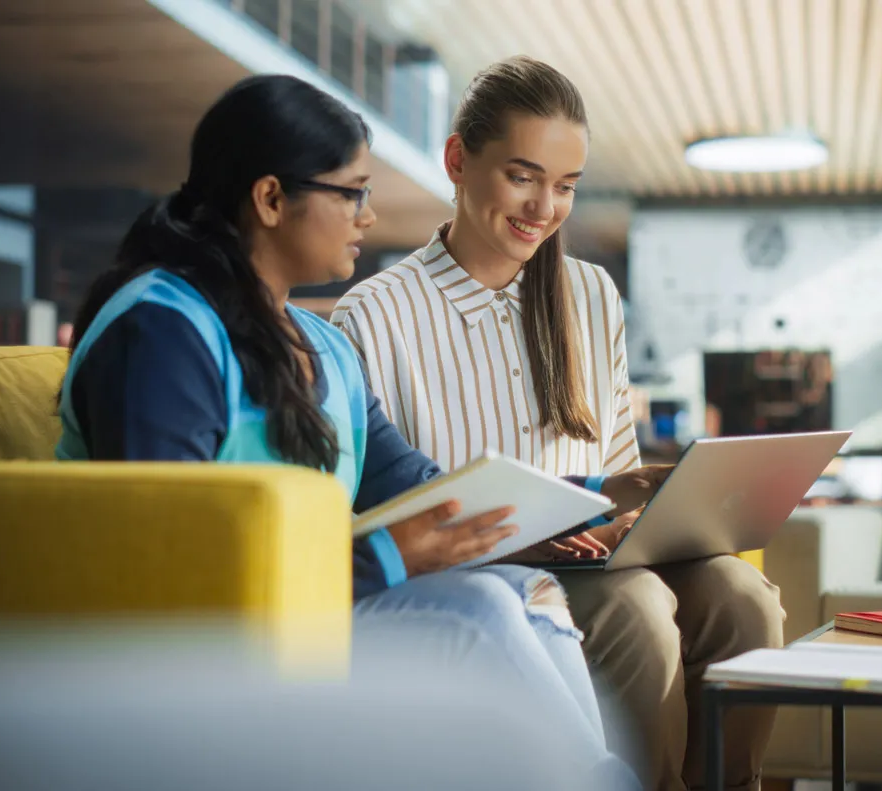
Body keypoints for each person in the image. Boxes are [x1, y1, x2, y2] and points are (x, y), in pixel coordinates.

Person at [53, 73, 642, 787]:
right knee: (479, 613)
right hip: (206, 646)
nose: (367, 216)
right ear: (271, 198)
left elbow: (415, 482)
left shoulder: (318, 341)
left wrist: (548, 512)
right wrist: (390, 557)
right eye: (351, 192)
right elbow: (171, 569)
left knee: (521, 591)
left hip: (311, 611)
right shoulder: (162, 331)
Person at [331, 57, 786, 791]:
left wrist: (638, 511)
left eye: (566, 186)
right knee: (638, 610)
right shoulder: (374, 314)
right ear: (458, 161)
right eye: (523, 176)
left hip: (600, 552)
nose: (545, 206)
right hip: (487, 571)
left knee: (744, 600)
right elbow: (388, 501)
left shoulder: (591, 294)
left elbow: (615, 458)